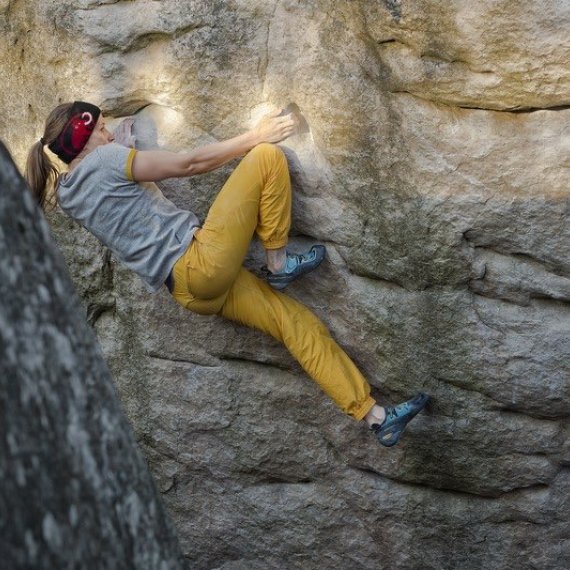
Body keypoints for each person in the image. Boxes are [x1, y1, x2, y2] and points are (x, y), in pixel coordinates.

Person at [25, 100, 429, 447]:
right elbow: (188, 163)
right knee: (267, 157)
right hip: (200, 262)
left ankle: (376, 417)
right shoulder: (105, 160)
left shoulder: (70, 195)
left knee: (295, 323)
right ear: (86, 135)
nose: (110, 131)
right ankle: (278, 263)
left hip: (189, 292)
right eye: (101, 126)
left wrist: (121, 143)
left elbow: (123, 196)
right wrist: (256, 134)